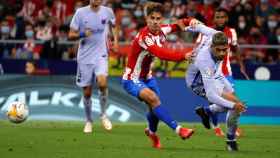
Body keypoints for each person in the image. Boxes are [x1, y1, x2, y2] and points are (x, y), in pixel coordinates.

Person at [121, 2, 198, 149]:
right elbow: (161, 53)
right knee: (154, 99)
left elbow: (176, 25)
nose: (155, 22)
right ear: (146, 19)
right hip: (132, 79)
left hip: (148, 77)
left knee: (154, 109)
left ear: (162, 19)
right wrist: (184, 55)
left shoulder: (162, 30)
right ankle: (179, 129)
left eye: (158, 18)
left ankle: (152, 133)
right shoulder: (145, 37)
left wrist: (190, 21)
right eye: (152, 18)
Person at [182, 22, 246, 151]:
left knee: (235, 103)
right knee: (232, 105)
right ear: (212, 47)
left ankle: (207, 111)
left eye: (225, 49)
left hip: (216, 74)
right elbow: (211, 94)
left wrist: (187, 24)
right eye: (219, 50)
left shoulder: (216, 35)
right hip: (197, 82)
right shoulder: (204, 60)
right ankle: (230, 141)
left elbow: (200, 27)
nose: (222, 53)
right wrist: (234, 105)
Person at [195, 8, 248, 137]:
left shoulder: (231, 32)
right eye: (217, 17)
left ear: (227, 19)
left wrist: (241, 66)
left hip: (226, 72)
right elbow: (198, 48)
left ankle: (209, 113)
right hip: (212, 72)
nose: (220, 19)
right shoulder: (207, 32)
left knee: (233, 99)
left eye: (223, 17)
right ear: (214, 19)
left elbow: (235, 48)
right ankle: (218, 127)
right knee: (219, 100)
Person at [68, 0, 119, 133]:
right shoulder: (80, 13)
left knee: (102, 83)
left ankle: (103, 114)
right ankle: (89, 120)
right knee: (87, 92)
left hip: (101, 55)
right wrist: (82, 34)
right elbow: (70, 35)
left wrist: (115, 40)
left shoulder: (107, 12)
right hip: (84, 57)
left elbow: (114, 26)